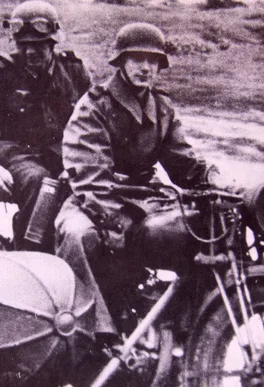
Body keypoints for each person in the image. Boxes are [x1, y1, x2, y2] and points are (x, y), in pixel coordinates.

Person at [54, 23, 213, 344]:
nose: (145, 67)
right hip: (96, 198)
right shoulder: (94, 105)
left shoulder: (163, 107)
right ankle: (92, 334)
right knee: (78, 236)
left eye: (153, 60)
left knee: (197, 228)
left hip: (146, 195)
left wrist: (214, 179)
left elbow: (184, 163)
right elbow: (89, 176)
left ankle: (187, 327)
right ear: (121, 61)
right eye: (137, 58)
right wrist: (111, 220)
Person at [0, 0, 92, 251]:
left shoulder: (73, 71)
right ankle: (31, 253)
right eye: (23, 45)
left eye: (38, 45)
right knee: (39, 182)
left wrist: (81, 161)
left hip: (61, 151)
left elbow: (92, 125)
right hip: (16, 153)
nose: (30, 52)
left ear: (52, 42)